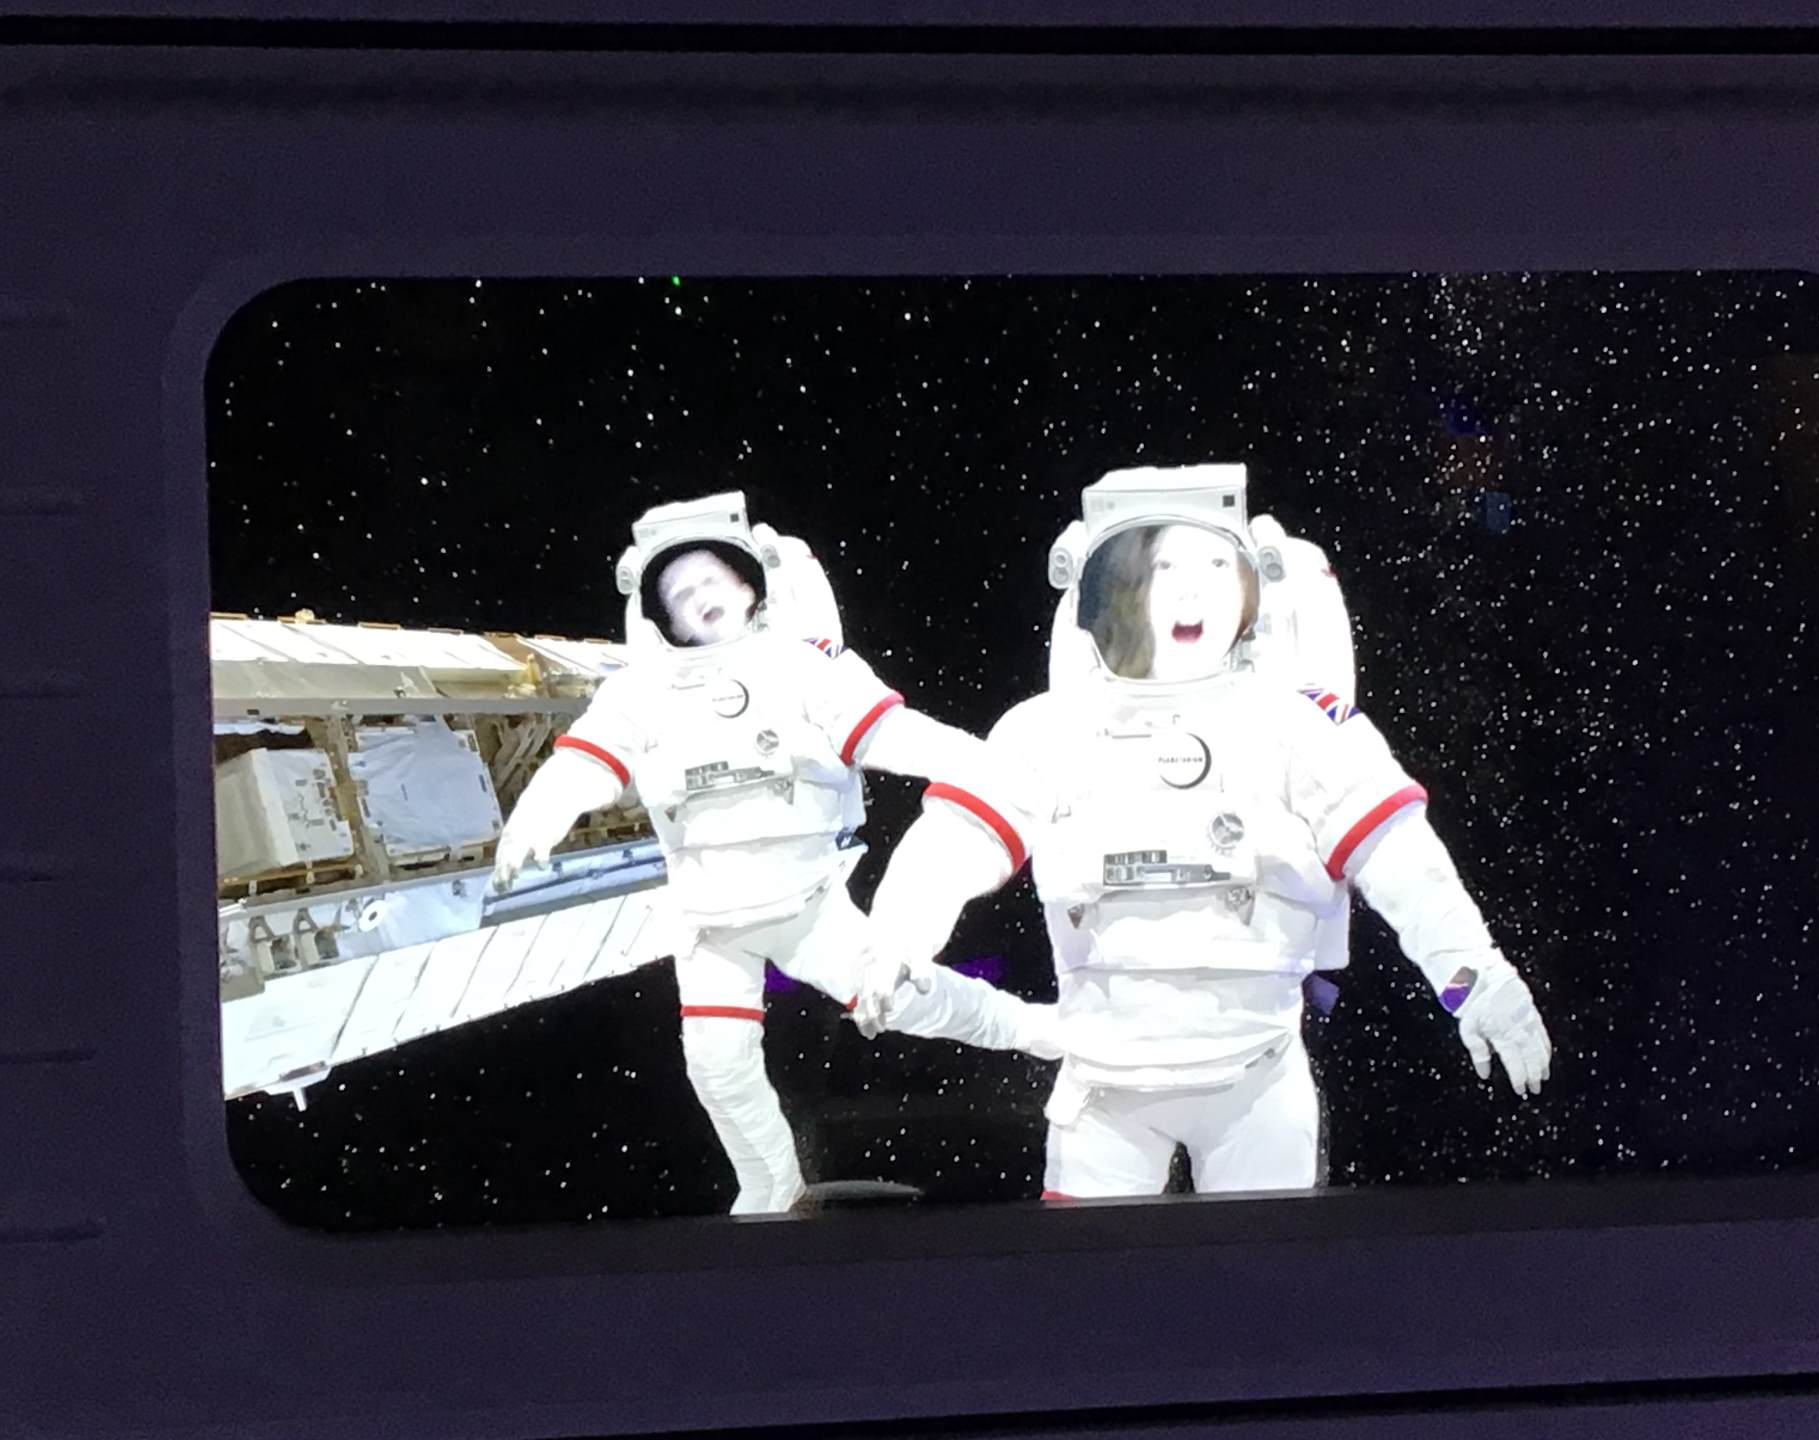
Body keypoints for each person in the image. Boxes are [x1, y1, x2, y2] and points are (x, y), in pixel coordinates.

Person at [858, 463, 1551, 1201]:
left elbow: (1403, 862)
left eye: (1216, 567)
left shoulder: (1295, 726)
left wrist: (1480, 983)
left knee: (1263, 1272)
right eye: (1164, 569)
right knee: (1090, 1275)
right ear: (1116, 590)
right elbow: (955, 840)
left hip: (1257, 1079)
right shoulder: (1050, 730)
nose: (1193, 591)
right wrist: (896, 936)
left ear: (1251, 588)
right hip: (1104, 1088)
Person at [490, 492, 1059, 1216]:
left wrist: (989, 767)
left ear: (749, 585)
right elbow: (586, 764)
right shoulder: (637, 693)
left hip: (805, 906)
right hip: (709, 924)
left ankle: (1031, 1030)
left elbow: (892, 735)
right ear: (663, 619)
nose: (699, 597)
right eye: (680, 594)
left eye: (710, 580)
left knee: (904, 1000)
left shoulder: (801, 667)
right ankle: (770, 1186)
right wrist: (534, 821)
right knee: (716, 1067)